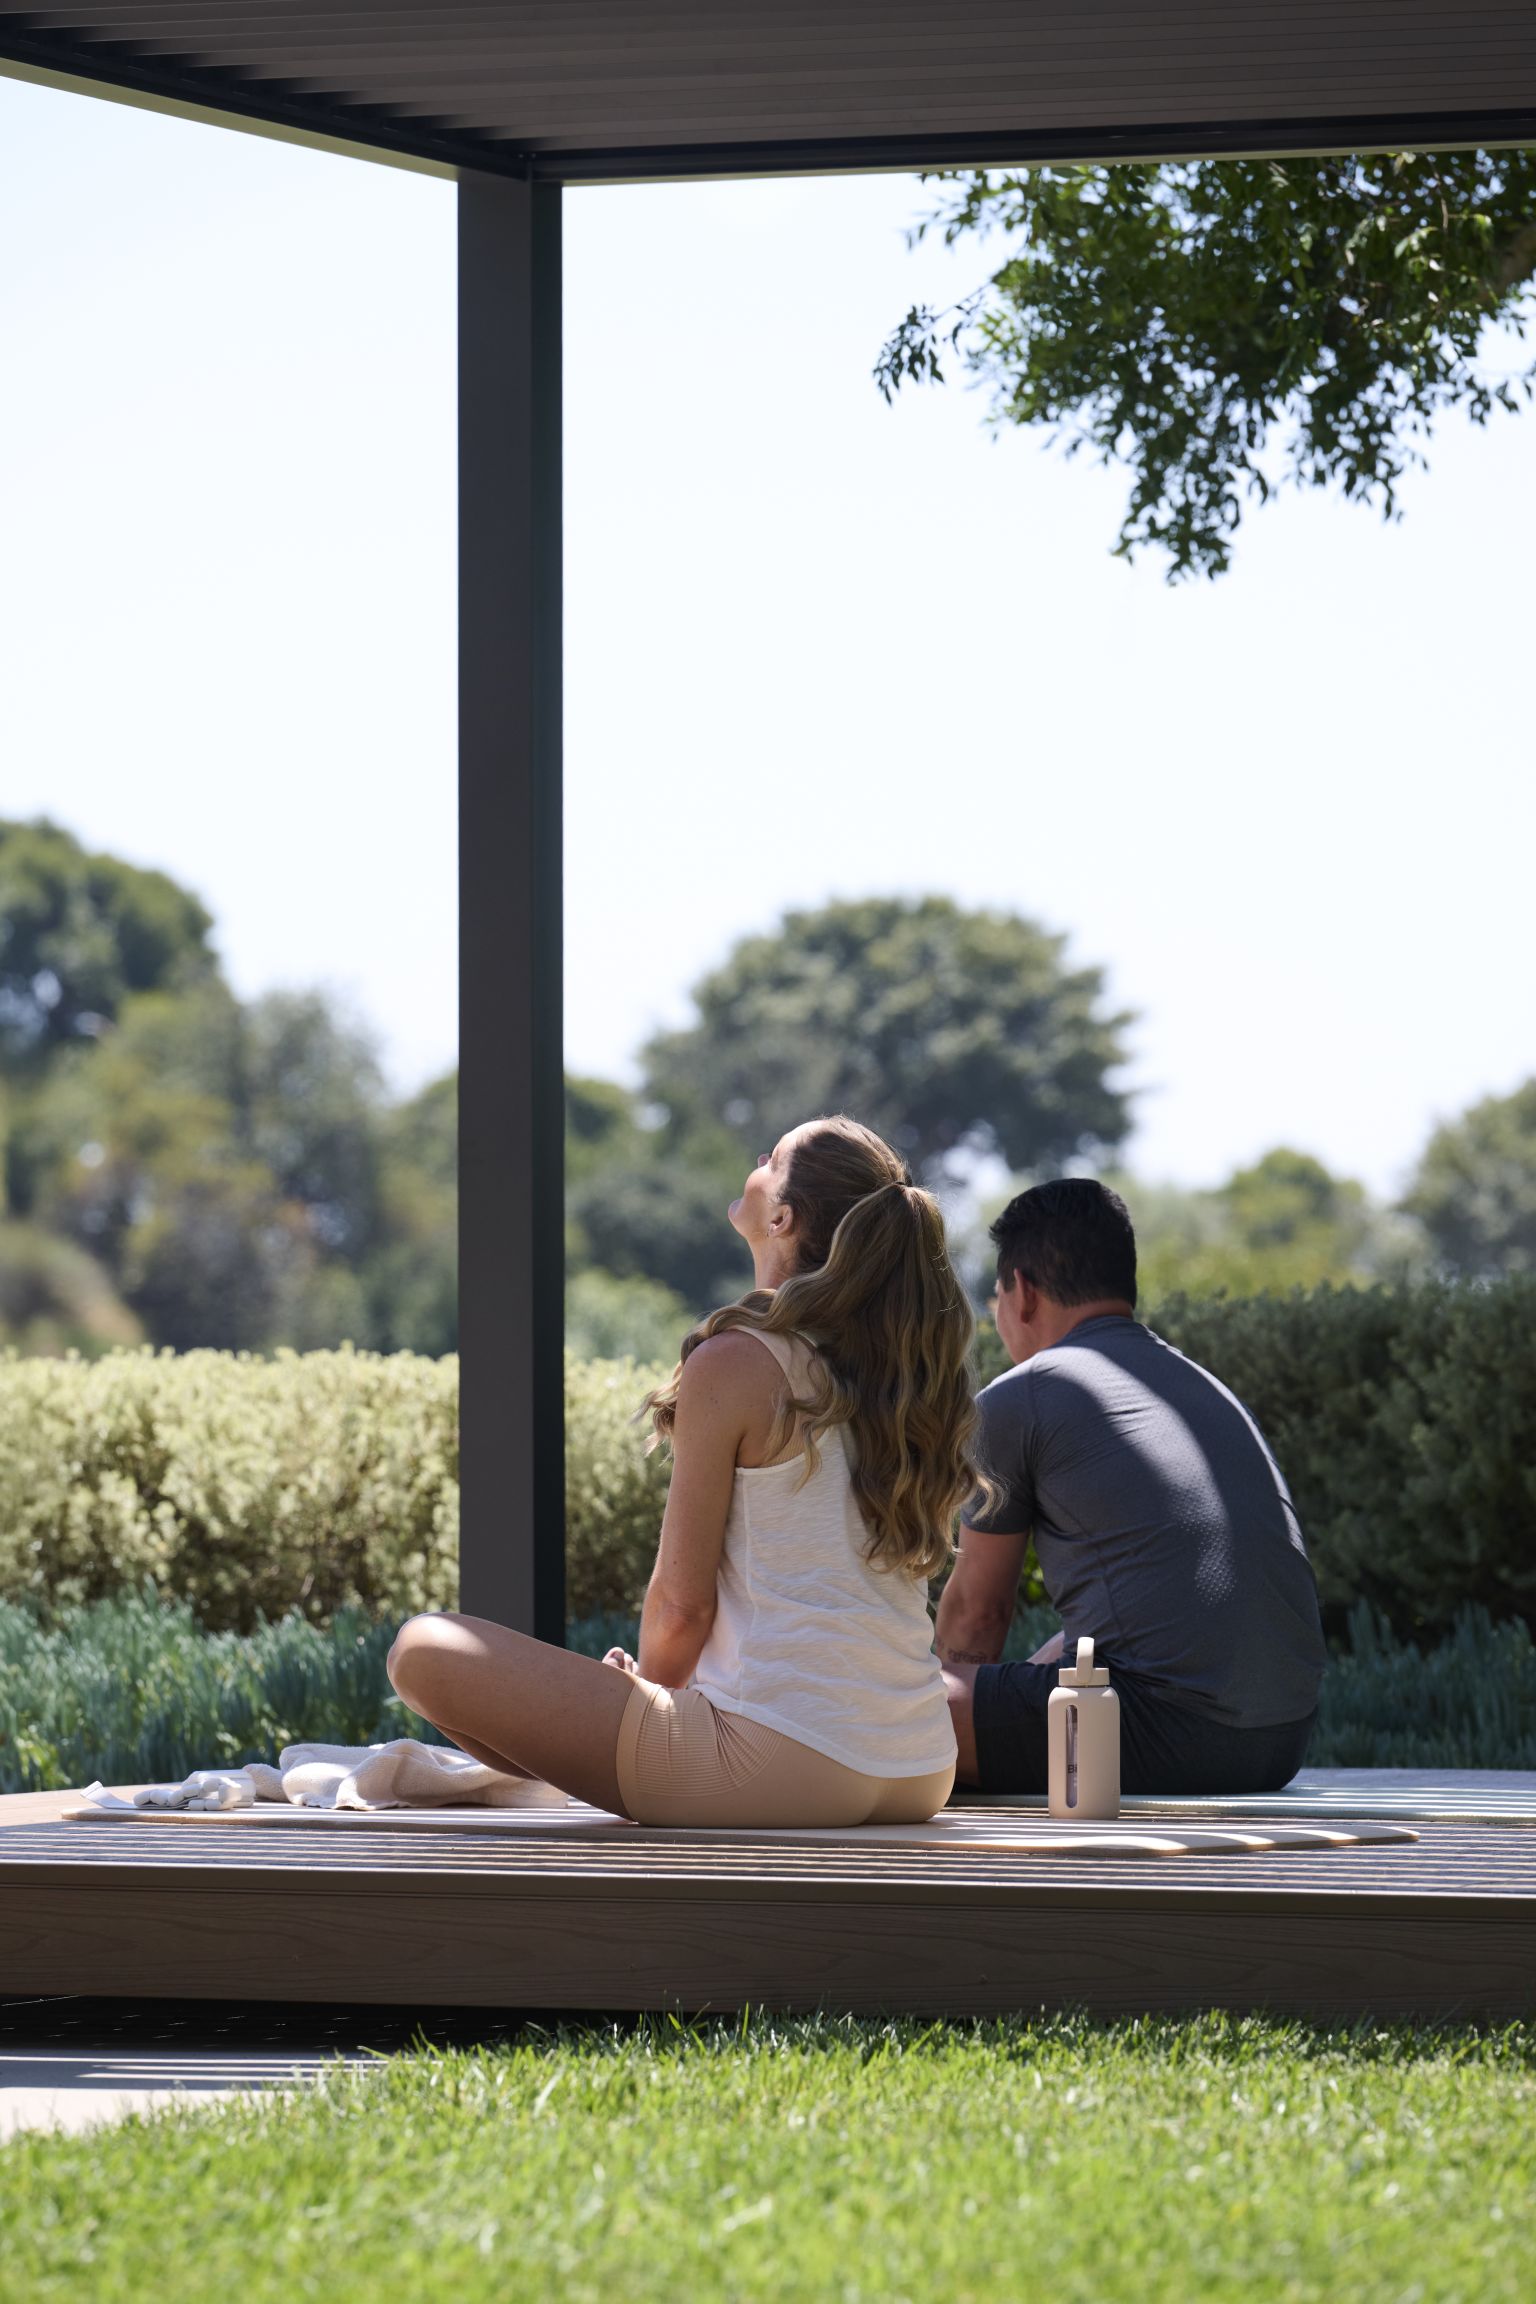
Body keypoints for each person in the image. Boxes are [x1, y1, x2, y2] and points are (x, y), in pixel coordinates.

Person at [388, 1115, 970, 1826]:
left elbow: (681, 1607)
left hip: (776, 1762)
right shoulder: (900, 1381)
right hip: (918, 1765)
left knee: (422, 1648)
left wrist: (648, 1692)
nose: (756, 1159)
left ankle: (615, 1766)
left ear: (782, 1217)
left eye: (772, 1157)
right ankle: (604, 1765)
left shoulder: (738, 1361)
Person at [937, 1178, 1327, 1795]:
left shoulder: (1022, 1397)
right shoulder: (1199, 1386)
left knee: (887, 1708)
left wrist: (942, 1716)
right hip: (1281, 1741)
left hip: (1156, 1730)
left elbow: (977, 1616)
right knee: (1047, 1662)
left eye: (997, 1298)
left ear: (1026, 1294)